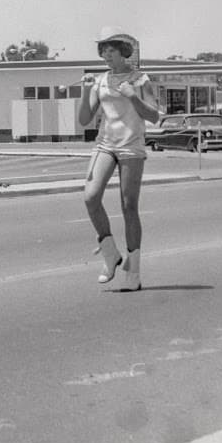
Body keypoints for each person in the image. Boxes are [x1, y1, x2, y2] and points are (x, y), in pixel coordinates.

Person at [77, 27, 159, 292]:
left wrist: (132, 95)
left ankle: (133, 271)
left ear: (124, 52)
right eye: (103, 50)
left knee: (128, 206)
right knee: (90, 196)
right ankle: (110, 253)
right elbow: (83, 119)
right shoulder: (100, 81)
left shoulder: (139, 79)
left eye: (111, 50)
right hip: (105, 145)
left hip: (131, 147)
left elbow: (154, 115)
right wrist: (84, 90)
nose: (106, 55)